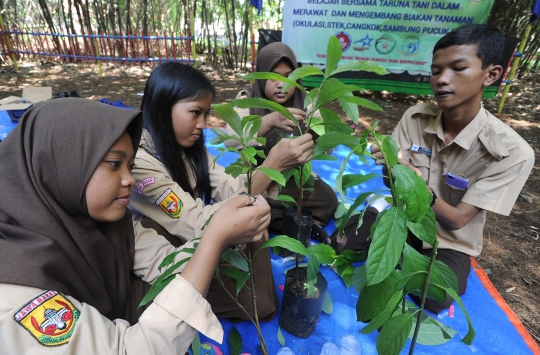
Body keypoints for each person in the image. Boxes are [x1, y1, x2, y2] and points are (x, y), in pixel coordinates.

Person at [0, 98, 270, 354]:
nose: (130, 179)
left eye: (129, 165)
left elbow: (164, 260)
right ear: (61, 164)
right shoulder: (17, 289)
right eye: (115, 164)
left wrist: (221, 240)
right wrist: (214, 239)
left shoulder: (104, 221)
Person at [332, 24, 534, 313]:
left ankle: (390, 245)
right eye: (436, 70)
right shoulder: (415, 118)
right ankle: (378, 218)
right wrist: (392, 166)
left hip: (449, 241)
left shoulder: (512, 153)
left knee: (435, 296)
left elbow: (458, 220)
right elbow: (394, 182)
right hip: (403, 219)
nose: (442, 80)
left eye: (458, 68)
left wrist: (416, 186)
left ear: (491, 74)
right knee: (341, 245)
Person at [129, 62, 312, 321]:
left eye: (205, 114)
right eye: (195, 113)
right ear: (162, 106)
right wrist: (271, 165)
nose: (203, 124)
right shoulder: (141, 164)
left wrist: (270, 170)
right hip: (170, 247)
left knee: (257, 226)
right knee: (258, 302)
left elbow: (230, 188)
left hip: (196, 234)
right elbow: (192, 221)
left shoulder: (188, 147)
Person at [224, 42, 339, 240]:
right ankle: (292, 222)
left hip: (293, 179)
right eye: (273, 77)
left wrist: (318, 132)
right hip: (257, 179)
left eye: (289, 77)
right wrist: (269, 121)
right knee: (239, 202)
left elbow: (327, 147)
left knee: (328, 201)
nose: (282, 84)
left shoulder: (306, 101)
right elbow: (231, 140)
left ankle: (279, 222)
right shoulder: (247, 99)